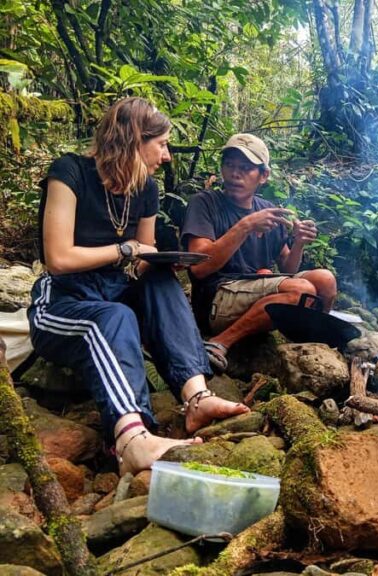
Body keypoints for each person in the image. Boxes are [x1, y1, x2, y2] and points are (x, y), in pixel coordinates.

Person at [27, 97, 249, 475]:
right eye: (161, 144)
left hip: (113, 287)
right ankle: (131, 437)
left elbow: (142, 258)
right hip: (63, 301)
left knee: (160, 280)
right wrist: (126, 248)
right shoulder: (70, 172)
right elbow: (59, 259)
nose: (166, 156)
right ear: (133, 139)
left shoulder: (145, 188)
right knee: (111, 317)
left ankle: (196, 396)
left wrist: (164, 259)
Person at [181, 133, 337, 372]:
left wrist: (298, 243)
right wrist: (245, 226)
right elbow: (200, 268)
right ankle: (219, 343)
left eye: (245, 168)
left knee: (325, 280)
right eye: (229, 165)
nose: (235, 174)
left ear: (263, 175)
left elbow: (288, 267)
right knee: (301, 290)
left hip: (253, 292)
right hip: (217, 298)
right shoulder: (205, 203)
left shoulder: (266, 209)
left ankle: (312, 344)